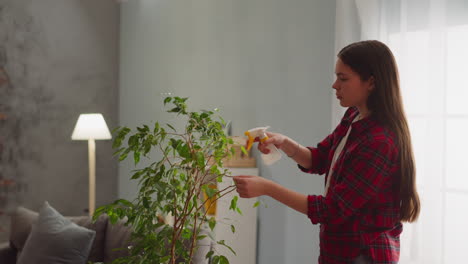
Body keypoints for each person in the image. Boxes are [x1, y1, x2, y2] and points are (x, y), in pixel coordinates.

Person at [233, 40, 420, 264]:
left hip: (362, 254)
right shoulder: (354, 116)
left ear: (371, 82)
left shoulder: (380, 142)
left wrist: (267, 188)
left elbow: (332, 210)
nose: (334, 85)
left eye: (343, 79)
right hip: (339, 250)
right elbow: (321, 159)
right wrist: (285, 143)